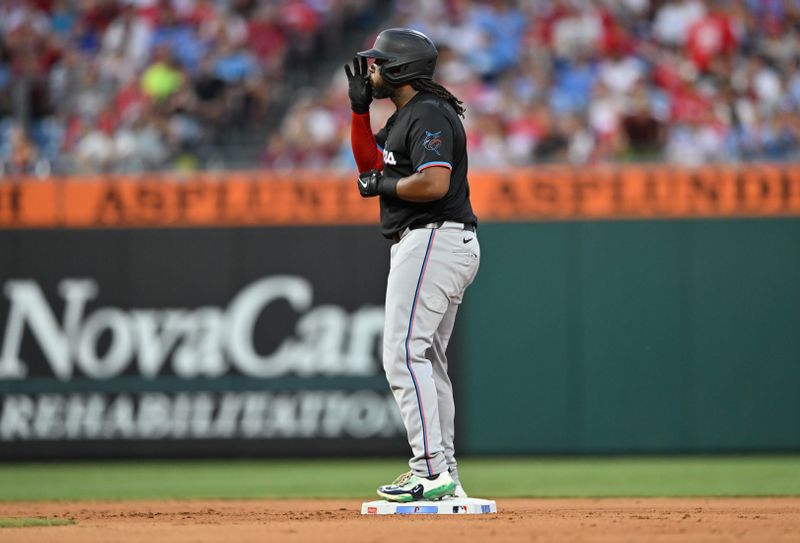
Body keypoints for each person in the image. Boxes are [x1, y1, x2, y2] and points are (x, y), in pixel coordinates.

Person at [344, 28, 480, 503]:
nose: (371, 70)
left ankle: (429, 471)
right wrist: (360, 112)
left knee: (401, 354)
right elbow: (369, 166)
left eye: (379, 64)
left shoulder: (428, 113)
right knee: (427, 360)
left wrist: (381, 188)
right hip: (433, 241)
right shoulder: (407, 115)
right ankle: (444, 472)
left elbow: (433, 184)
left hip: (433, 237)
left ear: (401, 70)